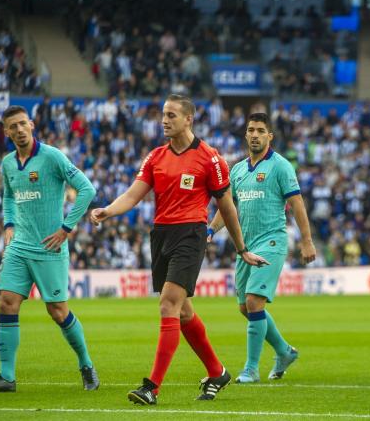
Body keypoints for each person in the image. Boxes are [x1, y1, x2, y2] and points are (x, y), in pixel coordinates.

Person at [90, 94, 267, 405]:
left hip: (191, 234)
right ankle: (217, 371)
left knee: (167, 306)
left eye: (171, 115)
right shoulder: (155, 157)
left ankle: (152, 387)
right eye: (163, 114)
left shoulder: (210, 158)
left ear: (189, 119)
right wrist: (109, 210)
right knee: (183, 311)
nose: (164, 120)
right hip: (161, 235)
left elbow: (227, 207)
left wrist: (241, 249)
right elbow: (133, 195)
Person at [0, 106, 98, 392]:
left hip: (49, 247)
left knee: (57, 311)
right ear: (5, 132)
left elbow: (87, 189)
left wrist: (66, 228)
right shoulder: (7, 163)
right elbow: (8, 196)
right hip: (19, 246)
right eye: (12, 127)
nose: (18, 130)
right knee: (6, 301)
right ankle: (6, 377)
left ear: (31, 124)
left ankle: (86, 364)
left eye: (22, 124)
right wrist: (8, 224)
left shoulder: (52, 157)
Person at [207, 113, 316, 383]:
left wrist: (307, 240)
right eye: (251, 129)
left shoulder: (280, 166)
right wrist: (210, 229)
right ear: (246, 135)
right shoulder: (238, 170)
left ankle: (250, 369)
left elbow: (297, 204)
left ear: (270, 136)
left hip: (272, 241)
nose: (255, 134)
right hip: (245, 246)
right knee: (245, 308)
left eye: (260, 130)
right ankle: (284, 351)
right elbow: (227, 207)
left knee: (255, 302)